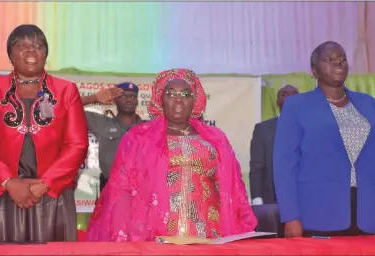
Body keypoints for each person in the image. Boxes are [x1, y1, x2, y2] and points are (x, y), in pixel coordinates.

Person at [84, 68, 257, 242]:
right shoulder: (140, 139)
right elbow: (121, 192)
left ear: (195, 101)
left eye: (185, 93)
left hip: (210, 236)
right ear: (160, 100)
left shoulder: (215, 139)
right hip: (156, 236)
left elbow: (234, 190)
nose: (178, 99)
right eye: (171, 93)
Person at [0, 24, 88, 242]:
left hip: (52, 196)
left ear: (45, 54)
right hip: (3, 196)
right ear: (10, 54)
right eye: (22, 45)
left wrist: (44, 184)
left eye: (38, 46)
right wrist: (8, 182)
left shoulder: (66, 90)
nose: (31, 50)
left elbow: (76, 145)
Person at [273, 41, 375, 238]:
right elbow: (284, 167)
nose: (338, 63)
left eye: (342, 59)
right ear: (314, 70)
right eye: (330, 59)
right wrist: (291, 217)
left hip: (368, 215)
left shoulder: (371, 105)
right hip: (317, 214)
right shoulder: (296, 106)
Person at [81, 82, 144, 192]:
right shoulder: (102, 124)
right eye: (123, 96)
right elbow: (63, 108)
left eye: (132, 96)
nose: (129, 100)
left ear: (137, 101)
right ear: (114, 100)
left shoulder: (149, 127)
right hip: (110, 190)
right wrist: (94, 98)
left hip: (142, 191)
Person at [249, 85, 299, 205]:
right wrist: (257, 200)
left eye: (294, 95)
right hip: (271, 202)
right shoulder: (262, 129)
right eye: (285, 94)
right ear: (277, 102)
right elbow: (256, 168)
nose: (290, 98)